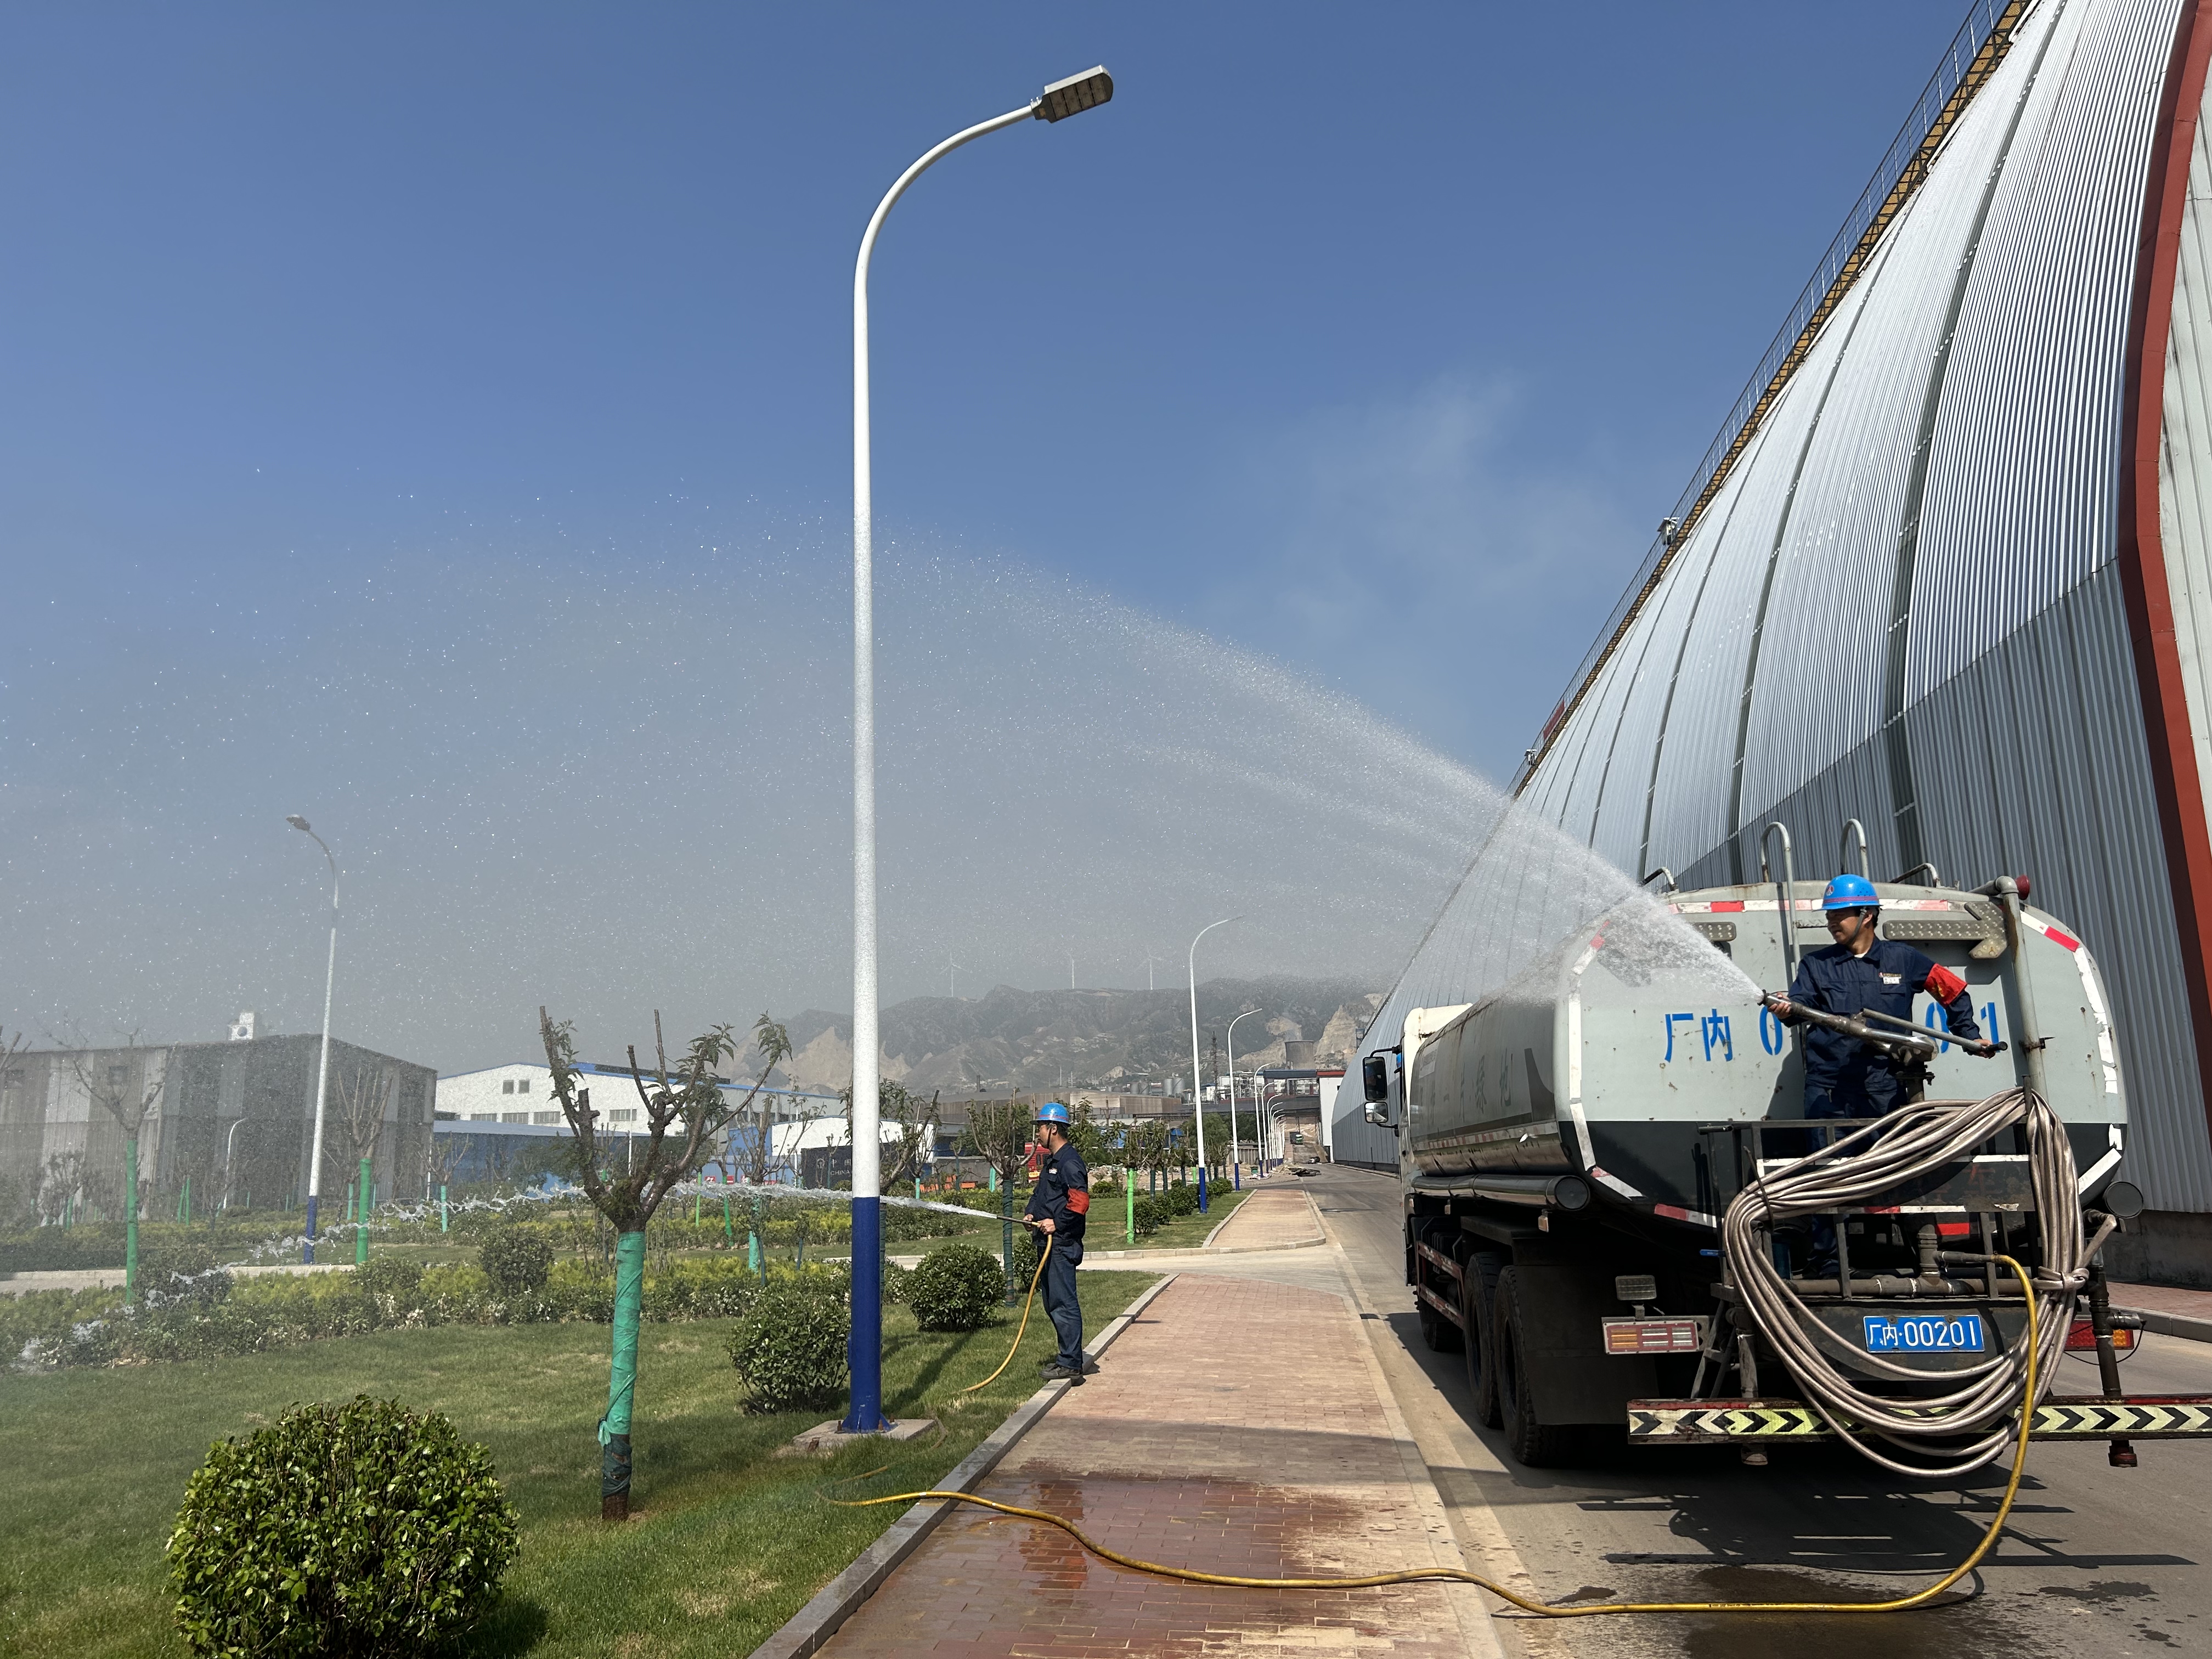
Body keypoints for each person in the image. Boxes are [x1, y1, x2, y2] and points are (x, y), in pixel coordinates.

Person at [1767, 872, 1987, 1123]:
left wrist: (1970, 1035)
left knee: (1892, 1161)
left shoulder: (1904, 959)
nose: (1832, 922)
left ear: (1867, 914)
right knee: (1831, 1163)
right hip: (1830, 1093)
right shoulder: (1816, 965)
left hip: (1887, 1090)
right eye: (1829, 916)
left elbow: (1952, 990)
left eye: (1839, 915)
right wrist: (1786, 1007)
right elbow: (1801, 1005)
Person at [1021, 1100, 1091, 1384]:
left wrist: (1056, 1223)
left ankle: (1071, 1363)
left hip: (1061, 1244)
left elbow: (1080, 1203)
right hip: (1046, 1242)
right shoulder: (1052, 1162)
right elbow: (1042, 1196)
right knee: (1052, 1303)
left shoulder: (1070, 1162)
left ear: (1053, 1129)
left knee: (1063, 1303)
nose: (1037, 1133)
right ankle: (1068, 1357)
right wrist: (1031, 1213)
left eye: (1040, 1127)